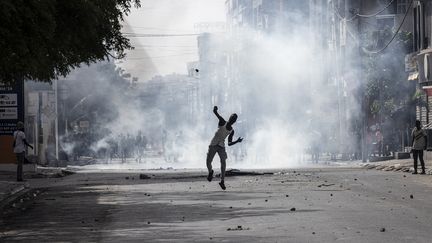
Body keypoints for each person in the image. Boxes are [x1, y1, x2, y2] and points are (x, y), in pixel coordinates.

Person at [206, 106, 243, 190]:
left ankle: (222, 181)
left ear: (235, 121)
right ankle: (210, 172)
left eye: (234, 119)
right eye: (232, 118)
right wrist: (215, 109)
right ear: (229, 118)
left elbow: (229, 143)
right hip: (213, 143)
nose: (232, 120)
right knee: (208, 161)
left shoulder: (231, 131)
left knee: (223, 163)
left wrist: (237, 141)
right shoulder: (223, 122)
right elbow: (215, 113)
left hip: (221, 146)